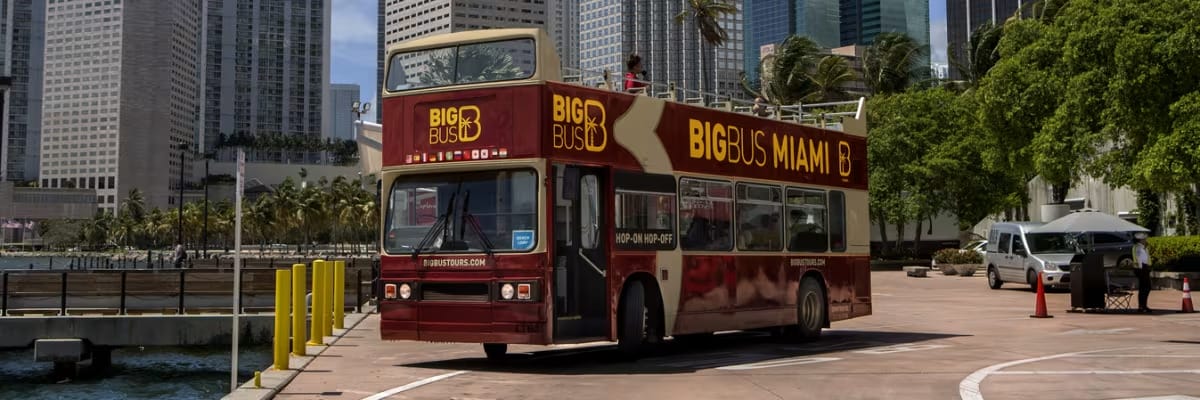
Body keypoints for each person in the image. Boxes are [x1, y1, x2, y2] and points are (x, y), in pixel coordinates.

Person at [1133, 233, 1152, 313]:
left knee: (1145, 288)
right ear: (1140, 240)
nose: (1145, 240)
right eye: (1144, 239)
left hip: (1145, 268)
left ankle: (1143, 305)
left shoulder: (1144, 247)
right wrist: (1141, 269)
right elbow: (1139, 259)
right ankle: (1141, 306)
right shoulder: (1137, 247)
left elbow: (1146, 257)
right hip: (1141, 268)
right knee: (1145, 287)